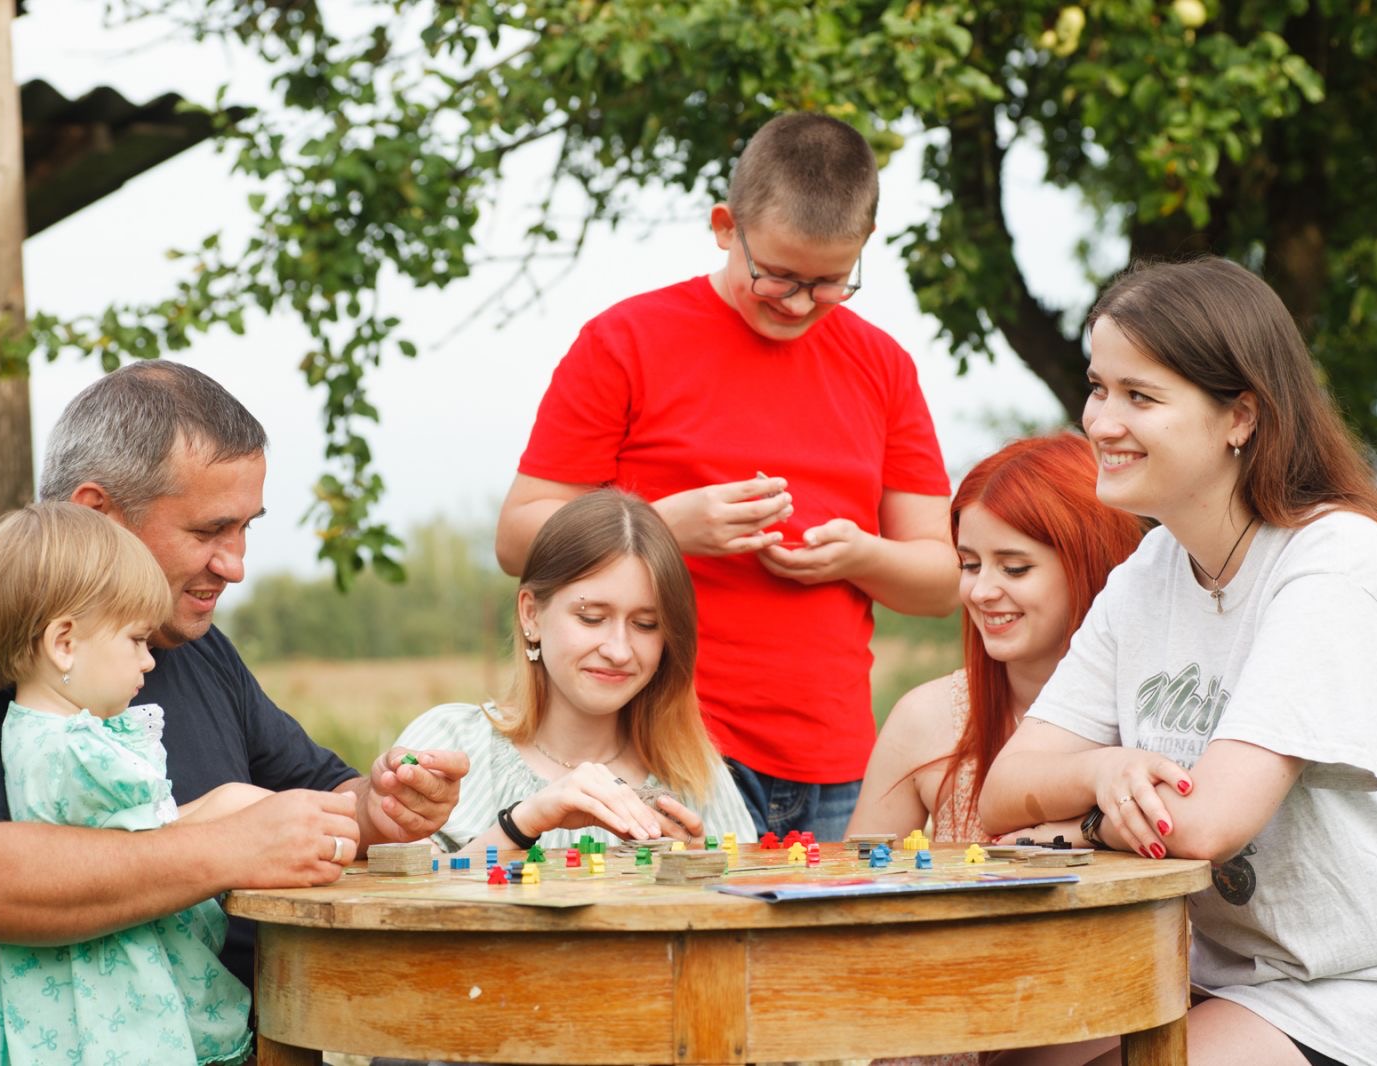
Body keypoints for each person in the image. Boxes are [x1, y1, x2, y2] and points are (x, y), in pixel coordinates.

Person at [978, 257, 1377, 1065]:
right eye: (1098, 387)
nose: (1102, 421)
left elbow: (1207, 826)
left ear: (1240, 417)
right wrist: (1102, 773)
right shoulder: (1148, 575)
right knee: (1020, 1051)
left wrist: (1084, 819)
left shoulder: (1337, 563)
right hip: (1240, 984)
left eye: (1141, 396)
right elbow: (1003, 795)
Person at [0, 361, 469, 1064]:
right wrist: (229, 847)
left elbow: (313, 796)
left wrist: (380, 808)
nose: (234, 564)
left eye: (245, 529)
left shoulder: (196, 648)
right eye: (210, 530)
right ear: (95, 512)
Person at [496, 113, 957, 840]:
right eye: (776, 277)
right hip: (666, 748)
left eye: (830, 283)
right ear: (724, 227)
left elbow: (940, 578)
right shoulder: (625, 342)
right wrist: (663, 529)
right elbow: (518, 537)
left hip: (833, 760)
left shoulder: (884, 366)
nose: (801, 305)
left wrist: (861, 556)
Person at [0, 503, 270, 1064]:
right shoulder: (78, 753)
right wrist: (237, 808)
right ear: (63, 643)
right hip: (104, 1000)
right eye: (137, 640)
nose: (149, 661)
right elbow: (151, 844)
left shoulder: (36, 732)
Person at [396, 490, 755, 854]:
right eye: (591, 617)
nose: (618, 650)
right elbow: (393, 897)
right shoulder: (450, 744)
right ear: (531, 615)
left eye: (646, 624)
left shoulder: (695, 775)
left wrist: (699, 877)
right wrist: (524, 823)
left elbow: (738, 901)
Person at [843, 434, 1143, 844]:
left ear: (1091, 563)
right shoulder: (926, 718)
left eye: (1014, 568)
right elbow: (857, 893)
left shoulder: (1155, 711)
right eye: (969, 564)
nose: (981, 591)